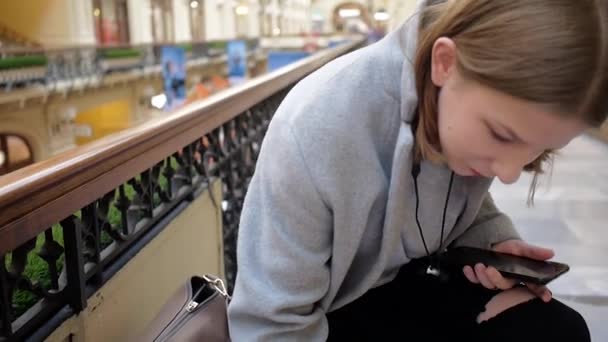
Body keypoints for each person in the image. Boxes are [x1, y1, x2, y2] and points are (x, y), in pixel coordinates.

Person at [228, 0, 607, 340]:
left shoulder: (451, 110)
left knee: (554, 329)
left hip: (410, 283)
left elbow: (440, 201)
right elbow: (272, 324)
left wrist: (491, 242)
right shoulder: (317, 128)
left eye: (540, 149)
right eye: (501, 134)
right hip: (322, 317)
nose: (509, 172)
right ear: (445, 63)